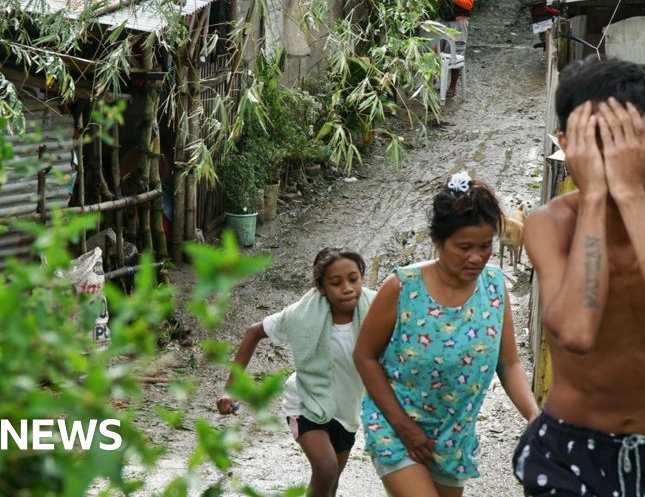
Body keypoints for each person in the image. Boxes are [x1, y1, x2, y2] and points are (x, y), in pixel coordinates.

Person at [514, 57, 645, 496]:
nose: (608, 157)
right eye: (593, 141)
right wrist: (593, 199)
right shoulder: (550, 224)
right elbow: (575, 330)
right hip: (568, 450)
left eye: (622, 140)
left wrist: (631, 194)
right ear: (565, 144)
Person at [354, 172, 539, 497]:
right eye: (464, 247)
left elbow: (508, 364)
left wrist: (536, 418)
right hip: (395, 428)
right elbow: (365, 356)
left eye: (485, 246)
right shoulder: (402, 288)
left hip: (454, 435)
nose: (476, 257)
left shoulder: (495, 288)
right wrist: (403, 427)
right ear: (438, 241)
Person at [217, 247, 376, 496]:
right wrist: (230, 390)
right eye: (336, 283)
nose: (347, 288)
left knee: (330, 484)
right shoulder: (301, 315)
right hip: (305, 402)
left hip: (347, 411)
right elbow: (253, 332)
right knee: (326, 468)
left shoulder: (376, 310)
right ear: (321, 288)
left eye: (353, 279)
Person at [438, 0, 477, 99]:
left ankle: (452, 87)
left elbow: (468, 4)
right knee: (438, 54)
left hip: (458, 23)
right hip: (443, 21)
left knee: (455, 56)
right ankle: (438, 83)